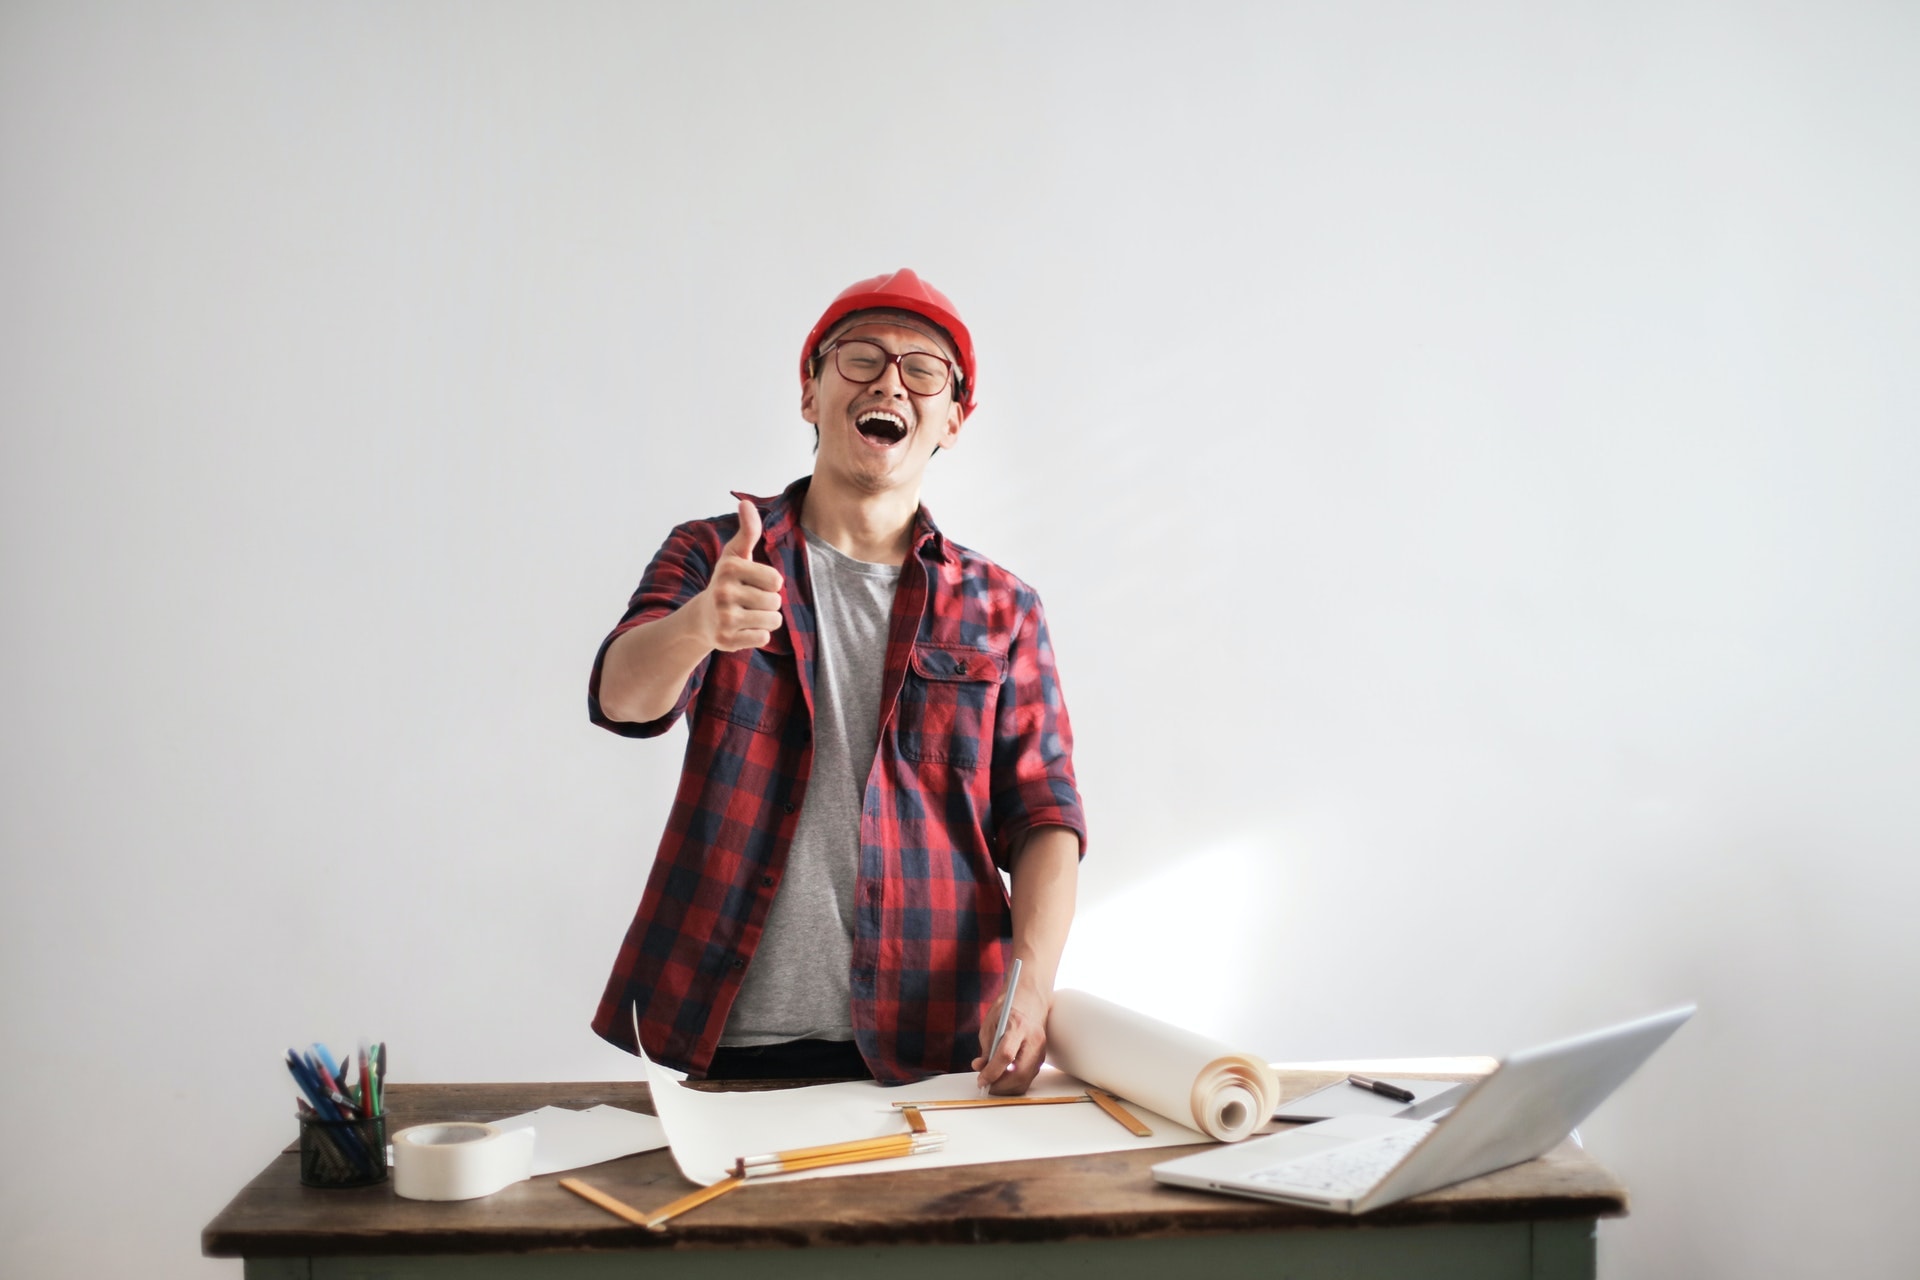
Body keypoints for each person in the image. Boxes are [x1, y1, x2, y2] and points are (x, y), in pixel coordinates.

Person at [587, 269, 1085, 1093]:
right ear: (811, 393)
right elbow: (620, 698)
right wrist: (698, 627)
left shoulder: (1004, 608)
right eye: (860, 358)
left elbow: (1045, 819)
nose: (889, 380)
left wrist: (1032, 991)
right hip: (738, 1038)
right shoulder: (722, 559)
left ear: (954, 420)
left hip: (940, 1045)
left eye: (922, 369)